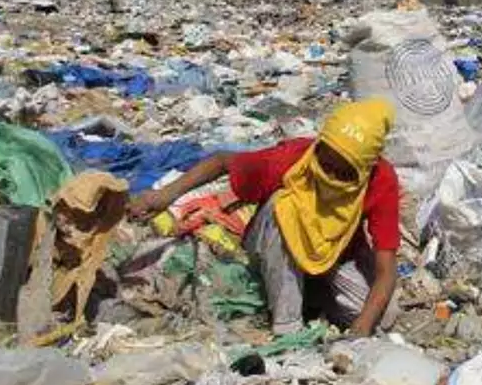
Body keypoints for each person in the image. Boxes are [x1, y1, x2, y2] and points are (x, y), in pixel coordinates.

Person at [131, 99, 400, 335]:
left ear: (366, 167)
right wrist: (164, 195)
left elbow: (386, 268)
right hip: (276, 244)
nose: (330, 176)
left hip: (337, 253)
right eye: (326, 165)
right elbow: (222, 161)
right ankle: (287, 325)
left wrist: (362, 328)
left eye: (343, 173)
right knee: (282, 204)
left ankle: (312, 293)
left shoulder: (380, 180)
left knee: (381, 317)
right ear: (318, 147)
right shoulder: (292, 159)